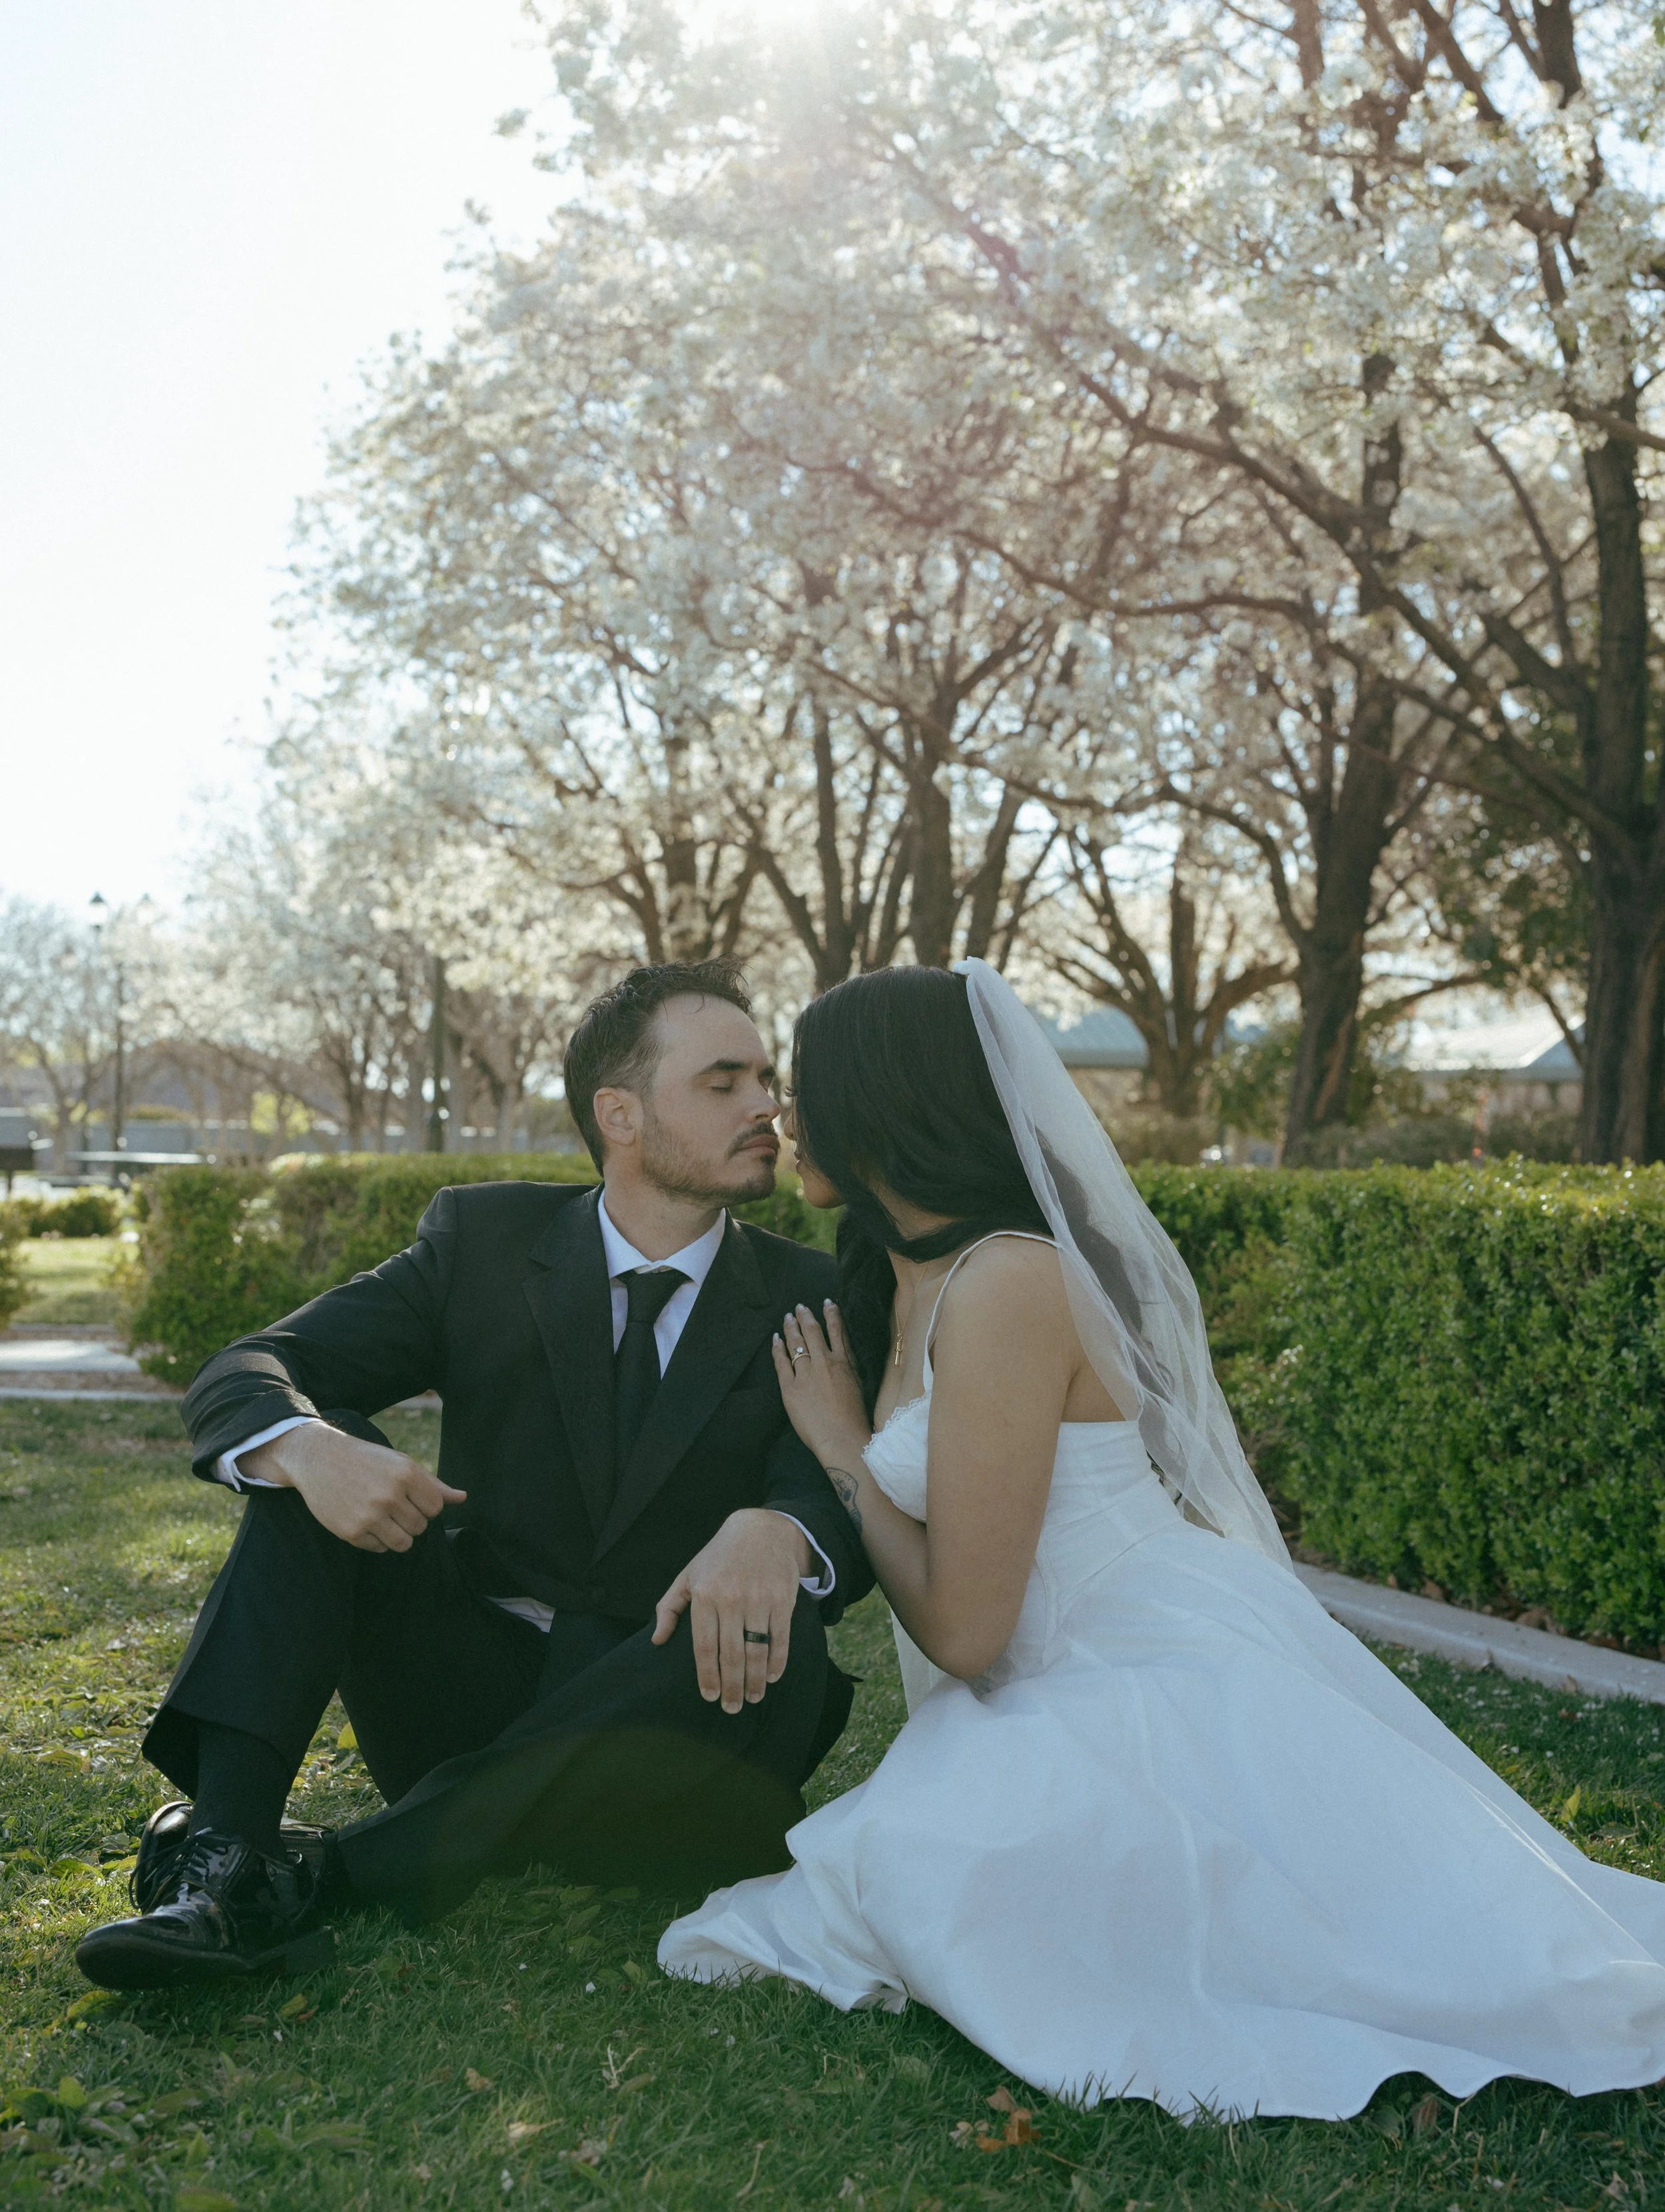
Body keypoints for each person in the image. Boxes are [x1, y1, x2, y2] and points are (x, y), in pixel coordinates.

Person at [659, 960, 1665, 2121]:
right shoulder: (911, 1278)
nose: (784, 1114)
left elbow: (971, 1631)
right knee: (916, 1857)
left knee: (927, 1858)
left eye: (805, 1083)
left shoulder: (1007, 1283)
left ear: (884, 1104)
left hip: (1133, 1668)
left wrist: (842, 1445)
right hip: (1051, 1673)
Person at [77, 960, 869, 1992]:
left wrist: (783, 1527)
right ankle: (224, 1855)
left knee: (777, 1614)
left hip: (676, 1729)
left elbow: (852, 1488)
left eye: (764, 1078)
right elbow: (254, 1366)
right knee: (317, 1452)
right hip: (461, 1695)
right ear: (619, 1113)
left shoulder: (814, 1293)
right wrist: (310, 1448)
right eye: (724, 1081)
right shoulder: (483, 1242)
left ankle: (328, 1869)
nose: (767, 1104)